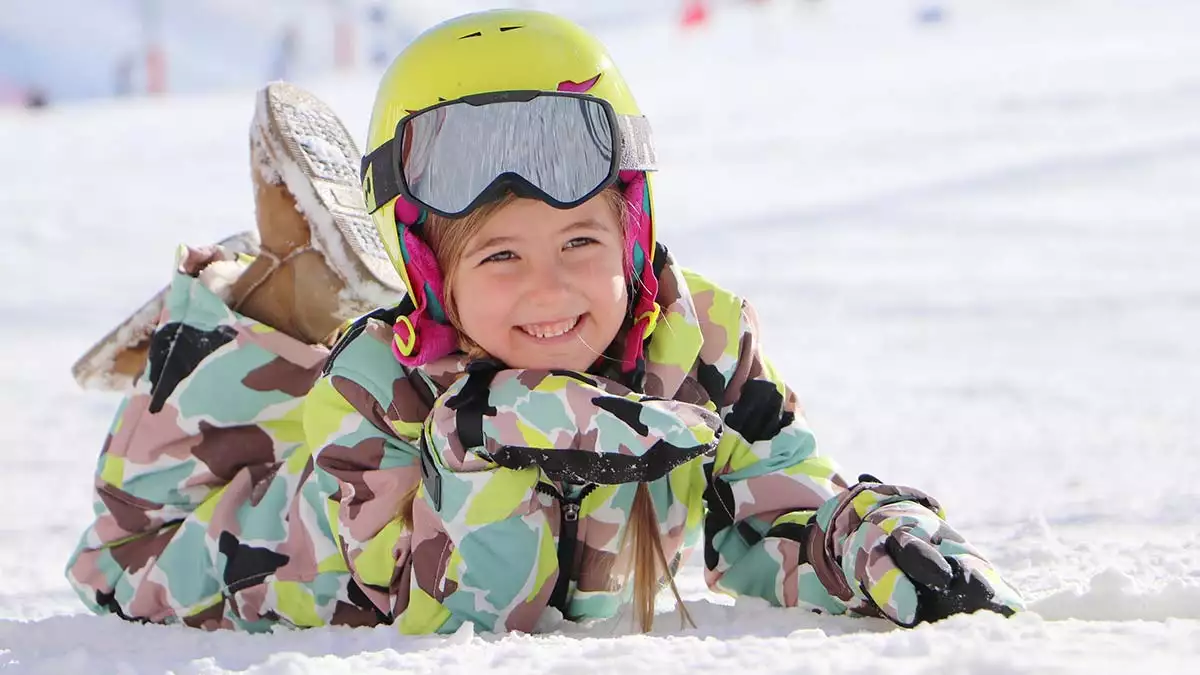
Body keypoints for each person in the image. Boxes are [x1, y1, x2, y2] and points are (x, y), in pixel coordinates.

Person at [66, 9, 1024, 635]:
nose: (550, 291)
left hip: (405, 366)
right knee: (122, 568)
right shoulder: (378, 388)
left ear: (635, 230)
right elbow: (443, 607)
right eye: (500, 256)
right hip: (283, 561)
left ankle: (308, 299)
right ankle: (242, 311)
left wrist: (870, 544)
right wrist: (510, 424)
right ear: (430, 270)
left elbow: (770, 503)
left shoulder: (695, 346)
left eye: (580, 243)